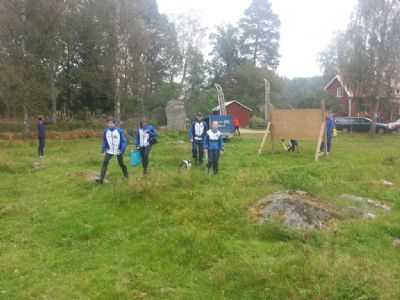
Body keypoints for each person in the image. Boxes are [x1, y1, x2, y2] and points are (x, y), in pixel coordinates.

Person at [97, 117, 128, 183]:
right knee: (105, 163)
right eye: (108, 123)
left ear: (114, 123)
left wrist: (122, 149)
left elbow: (124, 141)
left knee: (121, 163)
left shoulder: (119, 131)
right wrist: (103, 148)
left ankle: (126, 176)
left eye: (111, 123)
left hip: (118, 150)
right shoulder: (106, 131)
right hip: (110, 150)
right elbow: (105, 141)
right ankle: (101, 180)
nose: (110, 124)